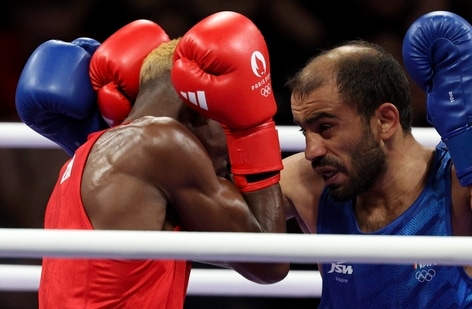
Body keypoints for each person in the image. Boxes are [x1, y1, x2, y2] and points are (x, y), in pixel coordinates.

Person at [15, 12, 289, 309]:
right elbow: (269, 262)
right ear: (200, 108)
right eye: (227, 123)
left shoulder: (82, 157)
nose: (229, 154)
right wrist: (251, 129)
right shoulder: (161, 141)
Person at [279, 11, 472, 308]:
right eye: (305, 131)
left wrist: (470, 130)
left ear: (385, 121)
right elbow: (234, 242)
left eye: (325, 127)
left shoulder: (460, 179)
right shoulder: (308, 179)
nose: (311, 149)